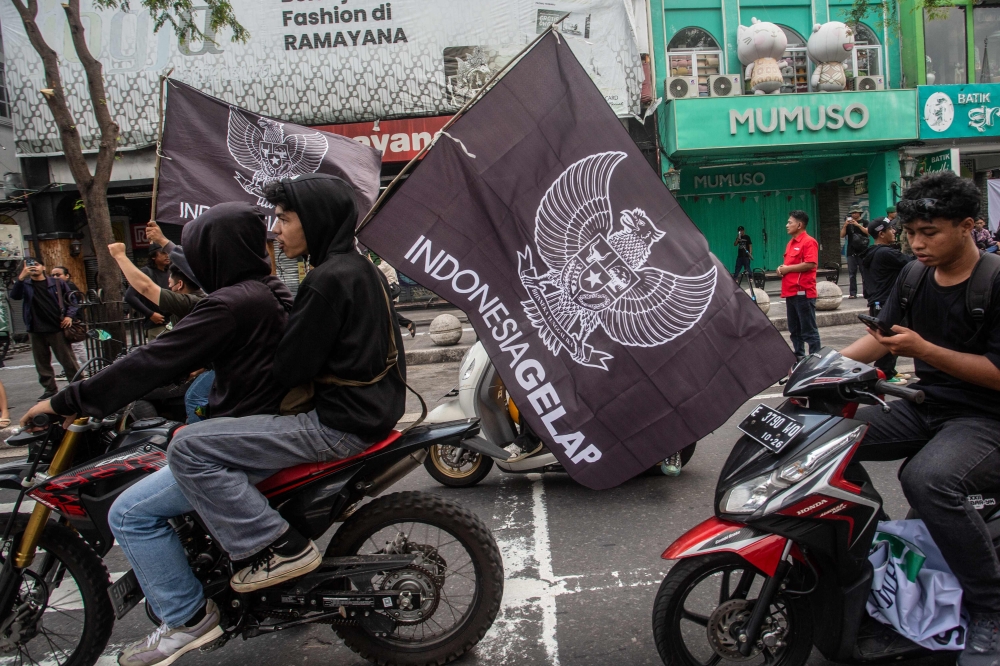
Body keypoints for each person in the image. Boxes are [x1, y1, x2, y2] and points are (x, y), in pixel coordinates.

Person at [19, 202, 295, 666]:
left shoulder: (232, 303)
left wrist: (65, 400)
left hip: (240, 439)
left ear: (216, 253)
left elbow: (151, 360)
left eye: (200, 250)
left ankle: (187, 618)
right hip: (255, 428)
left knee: (129, 514)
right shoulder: (266, 290)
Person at [167, 174, 406, 603]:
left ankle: (278, 546)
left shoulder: (326, 279)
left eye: (284, 219)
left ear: (314, 219)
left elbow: (292, 367)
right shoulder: (362, 269)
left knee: (186, 446)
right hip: (373, 412)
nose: (276, 231)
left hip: (337, 426)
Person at [840, 171, 1000, 666]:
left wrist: (925, 350)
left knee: (926, 479)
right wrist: (815, 370)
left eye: (929, 232)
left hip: (985, 419)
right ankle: (887, 550)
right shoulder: (913, 276)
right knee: (829, 440)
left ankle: (990, 610)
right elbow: (882, 340)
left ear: (968, 226)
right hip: (924, 404)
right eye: (910, 233)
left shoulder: (994, 283)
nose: (917, 244)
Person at [110, 241, 213, 422]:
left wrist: (120, 256)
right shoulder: (196, 302)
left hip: (204, 371)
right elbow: (167, 338)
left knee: (142, 391)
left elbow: (145, 288)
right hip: (191, 367)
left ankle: (193, 433)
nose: (169, 289)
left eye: (170, 286)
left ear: (179, 285)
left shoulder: (190, 302)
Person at [9, 260, 80, 400]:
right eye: (29, 265)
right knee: (41, 362)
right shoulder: (25, 284)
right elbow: (15, 296)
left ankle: (77, 384)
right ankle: (50, 388)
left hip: (57, 326)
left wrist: (69, 316)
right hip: (35, 328)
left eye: (36, 264)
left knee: (67, 359)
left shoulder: (57, 283)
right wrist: (21, 278)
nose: (33, 267)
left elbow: (72, 300)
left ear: (43, 267)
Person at [858, 218, 912, 382]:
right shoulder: (886, 253)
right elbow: (911, 263)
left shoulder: (870, 253)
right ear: (881, 234)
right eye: (890, 229)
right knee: (889, 336)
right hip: (885, 301)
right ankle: (885, 373)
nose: (894, 232)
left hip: (877, 301)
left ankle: (890, 370)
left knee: (889, 334)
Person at [777, 210, 820, 359]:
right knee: (794, 330)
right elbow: (790, 264)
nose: (786, 225)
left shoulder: (809, 242)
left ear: (799, 225)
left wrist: (787, 269)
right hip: (790, 292)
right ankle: (799, 357)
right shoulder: (791, 243)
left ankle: (815, 360)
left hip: (803, 293)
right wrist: (781, 269)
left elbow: (811, 264)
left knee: (808, 330)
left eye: (790, 222)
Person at [124, 243, 171, 339]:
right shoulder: (146, 272)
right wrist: (150, 314)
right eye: (163, 253)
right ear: (153, 256)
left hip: (174, 323)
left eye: (168, 252)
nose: (167, 255)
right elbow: (129, 296)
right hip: (157, 326)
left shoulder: (170, 272)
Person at [49, 266, 87, 372]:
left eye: (58, 275)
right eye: (53, 275)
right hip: (65, 320)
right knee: (72, 346)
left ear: (67, 276)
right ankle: (75, 368)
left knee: (76, 345)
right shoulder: (57, 287)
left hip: (72, 320)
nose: (55, 277)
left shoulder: (69, 286)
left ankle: (86, 367)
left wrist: (71, 317)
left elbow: (75, 304)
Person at [841, 206, 869, 298]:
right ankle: (852, 293)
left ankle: (866, 292)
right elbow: (842, 235)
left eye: (856, 213)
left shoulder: (865, 222)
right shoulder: (849, 224)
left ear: (859, 213)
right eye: (852, 213)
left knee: (864, 273)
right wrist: (845, 225)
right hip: (851, 251)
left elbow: (868, 232)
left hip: (863, 251)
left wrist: (858, 225)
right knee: (851, 274)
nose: (854, 214)